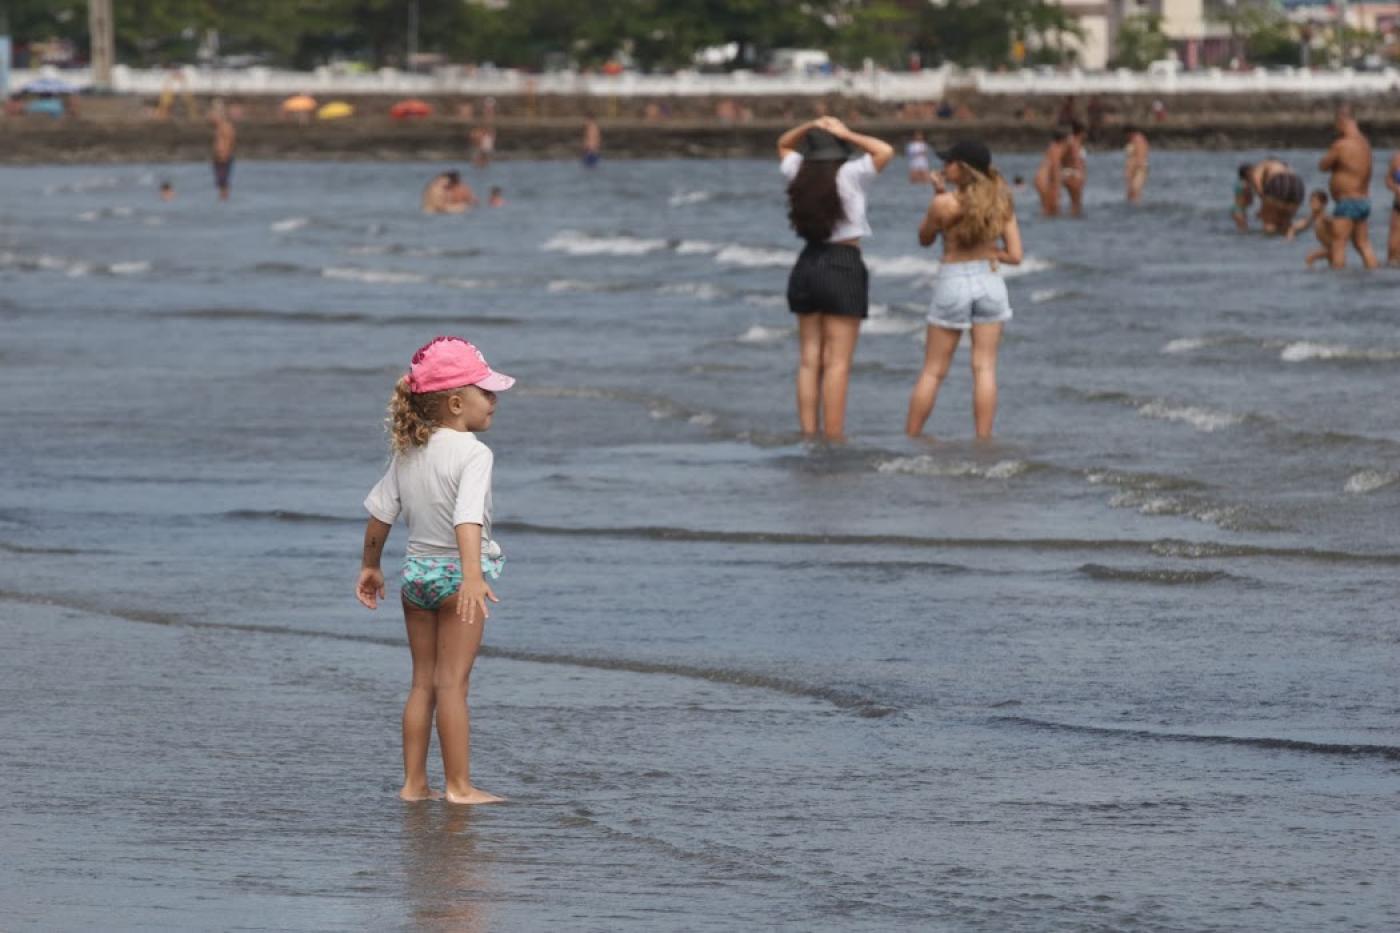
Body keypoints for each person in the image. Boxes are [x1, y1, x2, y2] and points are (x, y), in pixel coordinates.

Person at [356, 336, 515, 806]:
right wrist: (471, 575)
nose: (494, 401)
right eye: (485, 392)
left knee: (422, 681)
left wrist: (370, 566)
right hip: (455, 579)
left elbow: (380, 514)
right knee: (453, 684)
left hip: (416, 579)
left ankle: (413, 784)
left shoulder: (409, 451)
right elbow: (467, 517)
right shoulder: (473, 453)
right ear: (454, 402)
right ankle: (460, 787)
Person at [777, 116, 894, 441]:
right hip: (842, 262)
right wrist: (847, 133)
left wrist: (809, 124)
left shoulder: (797, 171)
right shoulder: (851, 173)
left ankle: (808, 433)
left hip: (807, 262)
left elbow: (784, 144)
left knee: (809, 360)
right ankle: (834, 437)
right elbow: (884, 150)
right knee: (838, 362)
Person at [906, 140, 1022, 440]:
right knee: (984, 368)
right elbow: (1016, 255)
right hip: (991, 281)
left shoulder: (944, 204)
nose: (944, 167)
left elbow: (925, 238)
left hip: (953, 279)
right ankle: (983, 441)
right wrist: (989, 254)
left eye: (950, 162)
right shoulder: (1001, 201)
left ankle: (911, 438)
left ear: (963, 169)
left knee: (933, 371)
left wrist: (938, 196)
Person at [1320, 105, 1380, 269]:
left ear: (1341, 121)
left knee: (1338, 244)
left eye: (1337, 125)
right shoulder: (1365, 143)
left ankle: (1338, 289)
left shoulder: (1341, 145)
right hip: (1363, 200)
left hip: (1347, 201)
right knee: (1363, 244)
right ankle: (1374, 274)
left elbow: (1323, 166)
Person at [1247, 158, 1305, 235]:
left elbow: (1256, 180)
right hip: (1298, 183)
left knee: (1269, 222)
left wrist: (1264, 207)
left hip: (1280, 180)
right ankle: (1289, 241)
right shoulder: (1284, 167)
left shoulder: (1261, 165)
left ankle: (1268, 246)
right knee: (1285, 222)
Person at [1286, 190, 1335, 267]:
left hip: (1332, 247)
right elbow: (1297, 226)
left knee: (1310, 257)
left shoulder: (1325, 217)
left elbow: (1337, 226)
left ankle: (1310, 275)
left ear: (1323, 204)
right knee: (1332, 266)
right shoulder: (1313, 217)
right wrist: (1290, 236)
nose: (1312, 204)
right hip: (1326, 247)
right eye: (1311, 202)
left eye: (1315, 202)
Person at [1033, 128, 1068, 217]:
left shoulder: (1052, 147)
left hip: (1040, 178)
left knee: (1047, 209)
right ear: (1064, 140)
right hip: (1044, 180)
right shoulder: (1057, 149)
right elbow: (1055, 169)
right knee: (1052, 209)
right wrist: (1058, 189)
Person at [210, 100, 236, 201]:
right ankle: (222, 197)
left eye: (214, 116)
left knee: (223, 179)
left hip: (224, 156)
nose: (212, 118)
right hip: (218, 156)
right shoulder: (218, 128)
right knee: (219, 180)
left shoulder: (226, 127)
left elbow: (231, 140)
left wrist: (225, 152)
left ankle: (224, 197)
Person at [1061, 121, 1088, 217]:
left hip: (1072, 173)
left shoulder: (1072, 142)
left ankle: (1073, 225)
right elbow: (1074, 159)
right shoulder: (1072, 142)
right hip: (1073, 173)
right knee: (1076, 204)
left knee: (1075, 204)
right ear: (1082, 132)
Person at [1123, 124, 1149, 205]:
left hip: (1139, 169)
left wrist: (1133, 169)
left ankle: (1137, 213)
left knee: (1135, 192)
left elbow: (1140, 157)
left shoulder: (1139, 139)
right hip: (1133, 170)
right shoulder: (1132, 141)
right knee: (1130, 193)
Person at [1386, 150, 1400, 266]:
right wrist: (1395, 187)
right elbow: (1388, 179)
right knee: (1393, 249)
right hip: (1398, 204)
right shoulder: (1397, 157)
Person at [1232, 163, 1254, 232]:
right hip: (1239, 210)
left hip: (1239, 209)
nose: (1253, 173)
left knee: (1242, 230)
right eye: (1251, 171)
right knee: (1243, 230)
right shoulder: (1245, 185)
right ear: (1246, 173)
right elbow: (1249, 199)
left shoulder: (1240, 183)